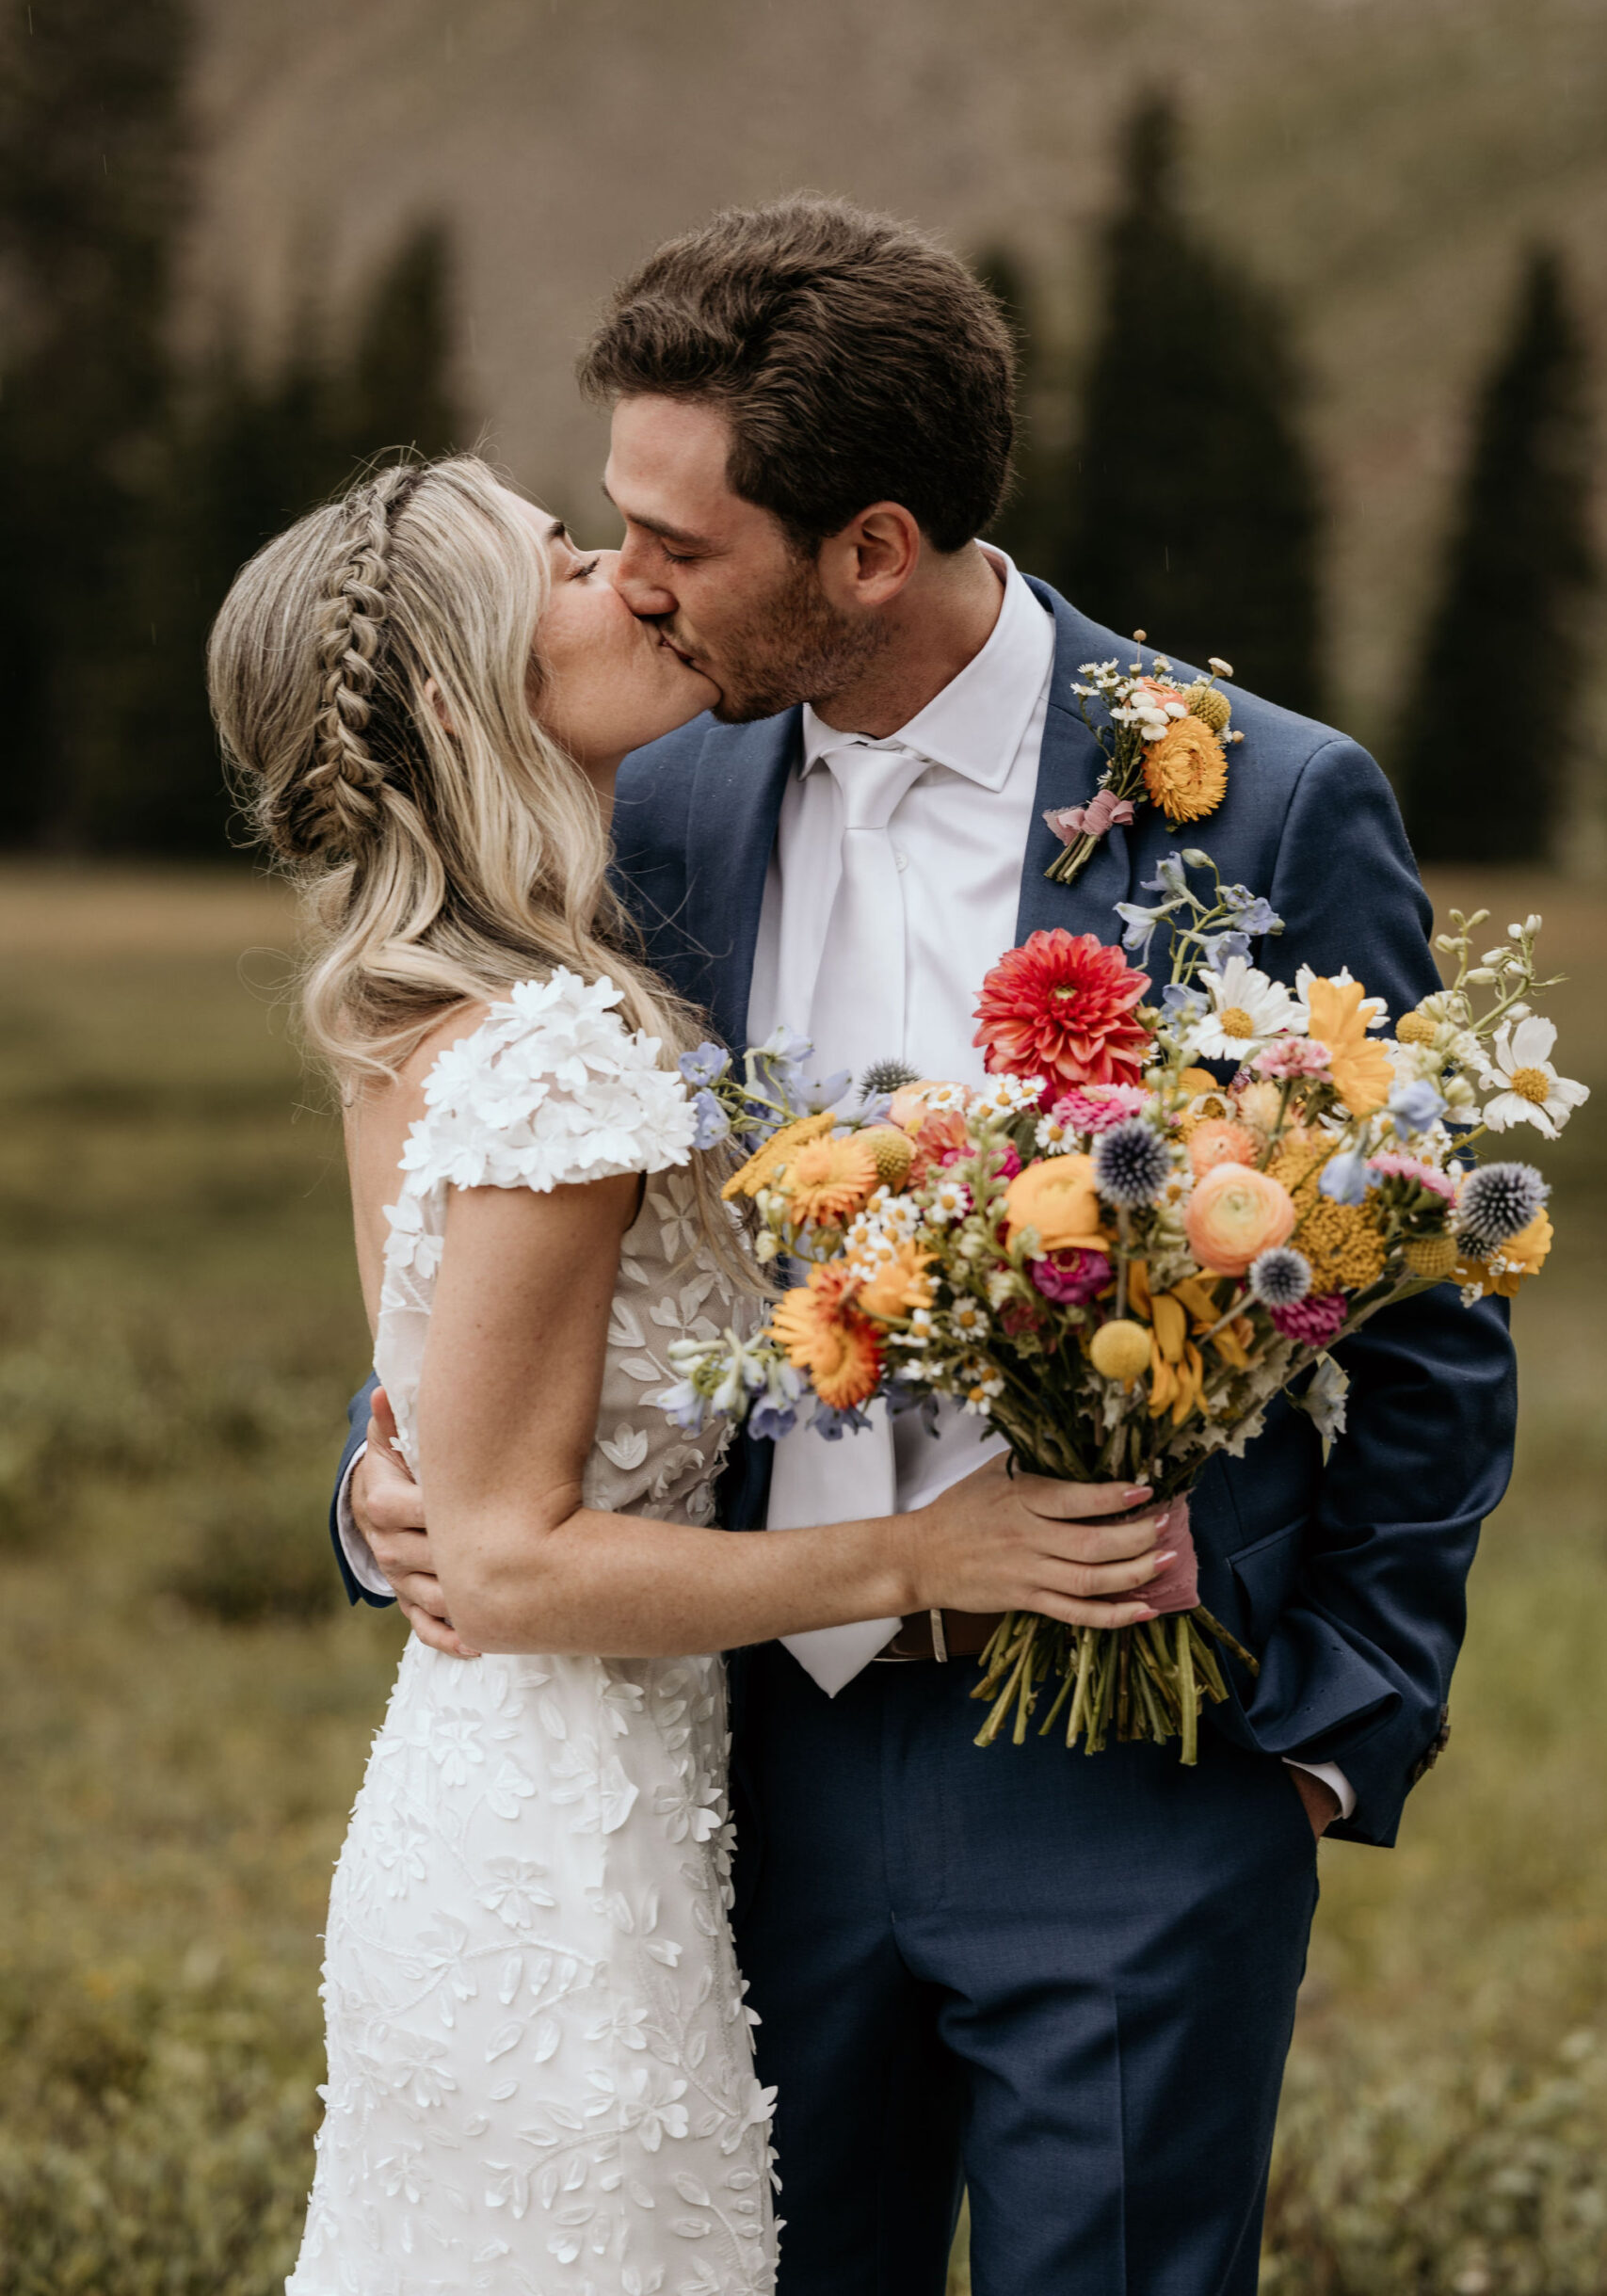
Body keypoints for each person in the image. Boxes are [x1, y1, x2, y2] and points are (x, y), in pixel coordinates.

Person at [338, 200, 1519, 2293]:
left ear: (866, 548)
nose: (621, 586)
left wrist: (1324, 1734)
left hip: (1134, 1763)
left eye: (676, 546)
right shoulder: (653, 794)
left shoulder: (1259, 803)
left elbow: (1418, 1308)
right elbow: (535, 1186)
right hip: (739, 1758)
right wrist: (386, 1468)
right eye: (611, 524)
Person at [210, 452, 1178, 2295]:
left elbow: (444, 1418)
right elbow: (501, 1556)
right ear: (461, 691)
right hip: (562, 1860)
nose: (632, 584)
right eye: (569, 564)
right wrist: (922, 1552)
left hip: (545, 1805)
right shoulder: (554, 1047)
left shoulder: (440, 1001)